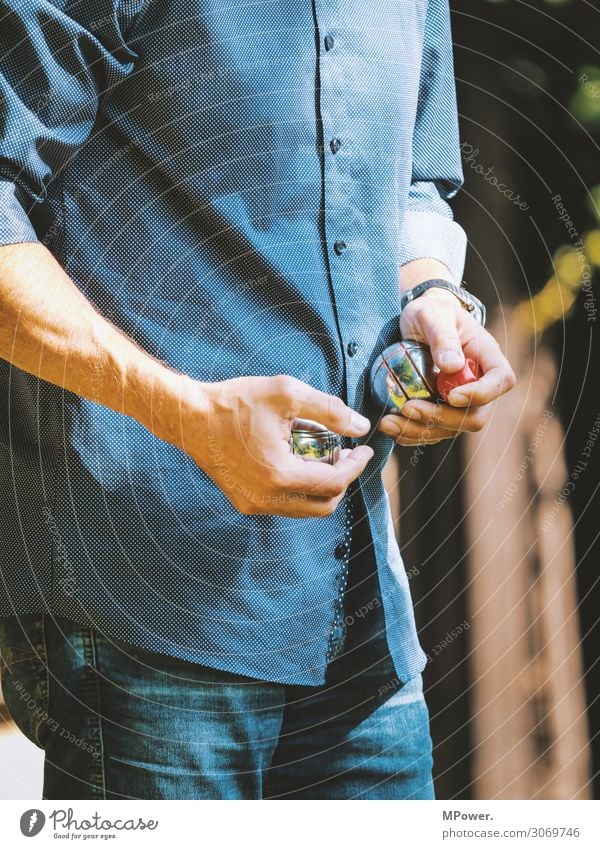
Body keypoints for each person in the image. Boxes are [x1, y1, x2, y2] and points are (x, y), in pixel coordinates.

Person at [0, 0, 515, 800]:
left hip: (362, 608)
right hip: (144, 607)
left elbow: (412, 183)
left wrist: (437, 300)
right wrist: (185, 414)